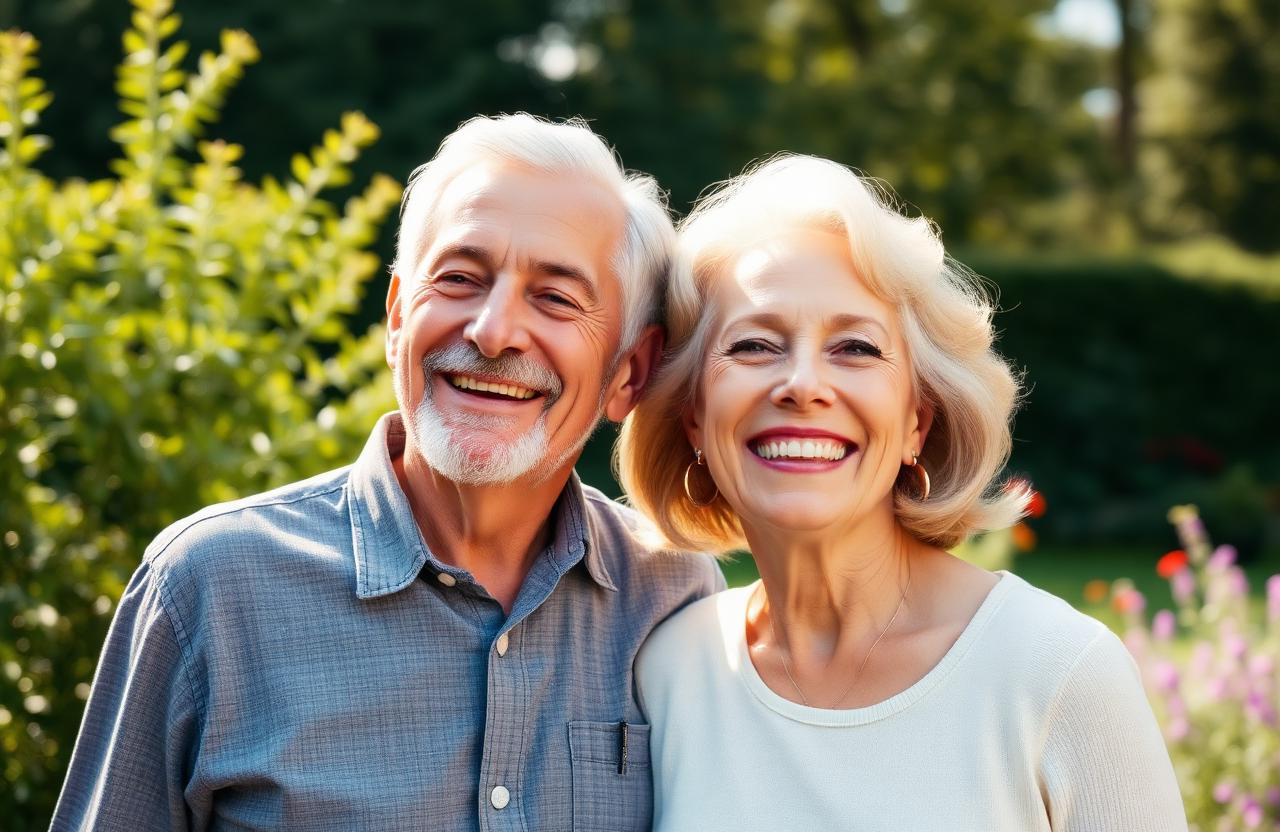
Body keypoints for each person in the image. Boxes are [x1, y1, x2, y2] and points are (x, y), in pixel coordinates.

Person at [52, 114, 722, 831]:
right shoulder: (208, 589)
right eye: (461, 278)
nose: (493, 332)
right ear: (397, 317)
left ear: (630, 373)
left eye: (556, 298)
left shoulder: (674, 600)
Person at [619, 154, 1187, 831]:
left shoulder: (1059, 674)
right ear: (694, 419)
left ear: (917, 421)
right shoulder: (666, 673)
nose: (803, 384)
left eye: (855, 348)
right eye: (754, 346)